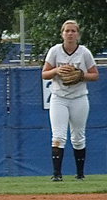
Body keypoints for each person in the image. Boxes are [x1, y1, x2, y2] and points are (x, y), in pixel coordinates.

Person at [41, 19, 99, 181]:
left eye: (73, 31)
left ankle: (80, 174)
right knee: (58, 136)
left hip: (79, 98)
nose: (70, 34)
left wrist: (81, 75)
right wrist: (57, 70)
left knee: (78, 136)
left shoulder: (84, 52)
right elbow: (44, 74)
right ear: (62, 34)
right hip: (59, 97)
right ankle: (57, 175)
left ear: (78, 34)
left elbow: (95, 75)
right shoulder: (55, 51)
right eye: (67, 31)